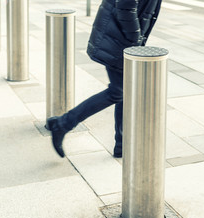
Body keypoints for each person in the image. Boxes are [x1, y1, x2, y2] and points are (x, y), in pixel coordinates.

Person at [47, 0, 163, 158]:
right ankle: (63, 124)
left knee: (125, 90)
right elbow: (125, 7)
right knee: (118, 91)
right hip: (120, 38)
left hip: (121, 37)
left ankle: (122, 145)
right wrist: (135, 40)